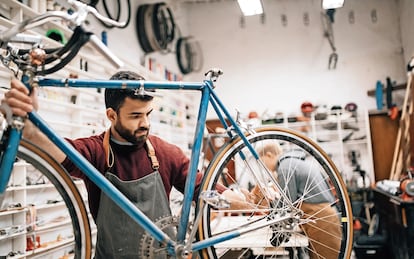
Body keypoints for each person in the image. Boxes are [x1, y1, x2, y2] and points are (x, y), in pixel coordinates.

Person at [2, 71, 258, 258]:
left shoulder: (164, 152)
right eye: (135, 115)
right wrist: (31, 128)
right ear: (111, 115)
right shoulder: (95, 151)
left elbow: (202, 186)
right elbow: (59, 151)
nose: (145, 123)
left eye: (148, 114)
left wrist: (242, 199)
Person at [258, 142, 342, 259]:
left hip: (322, 220)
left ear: (269, 155)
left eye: (262, 162)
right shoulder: (295, 162)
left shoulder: (285, 167)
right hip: (325, 216)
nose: (264, 167)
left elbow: (287, 206)